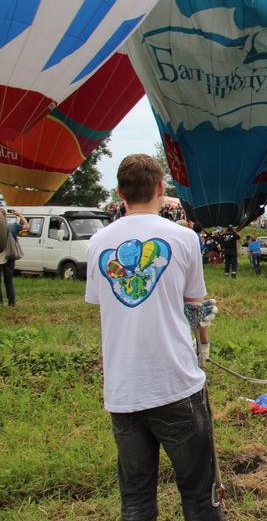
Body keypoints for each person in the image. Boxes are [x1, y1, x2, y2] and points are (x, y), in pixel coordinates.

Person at [84, 154, 221, 520]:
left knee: (136, 498)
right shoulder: (184, 238)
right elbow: (197, 305)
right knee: (198, 492)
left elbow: (102, 304)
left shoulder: (98, 243)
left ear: (119, 192)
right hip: (175, 384)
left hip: (123, 390)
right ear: (161, 189)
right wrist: (204, 343)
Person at [0, 205, 29, 307]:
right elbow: (27, 226)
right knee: (9, 281)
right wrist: (19, 215)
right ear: (5, 216)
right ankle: (12, 302)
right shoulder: (13, 226)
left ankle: (0, 302)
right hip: (10, 255)